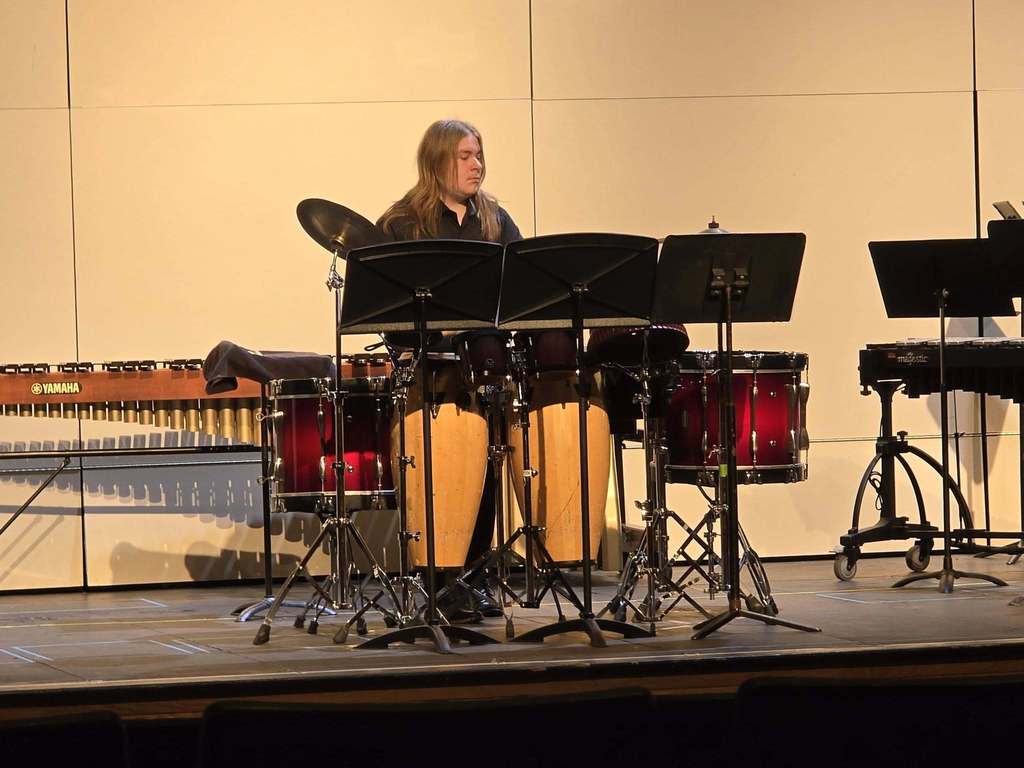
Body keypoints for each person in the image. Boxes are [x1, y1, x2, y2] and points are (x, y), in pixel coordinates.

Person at [378, 119, 521, 620]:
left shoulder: (496, 220)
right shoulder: (402, 223)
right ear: (437, 161)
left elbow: (522, 292)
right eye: (465, 156)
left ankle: (475, 577)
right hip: (427, 374)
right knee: (439, 478)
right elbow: (386, 313)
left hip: (481, 371)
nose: (477, 164)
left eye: (479, 154)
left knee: (484, 471)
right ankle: (436, 580)